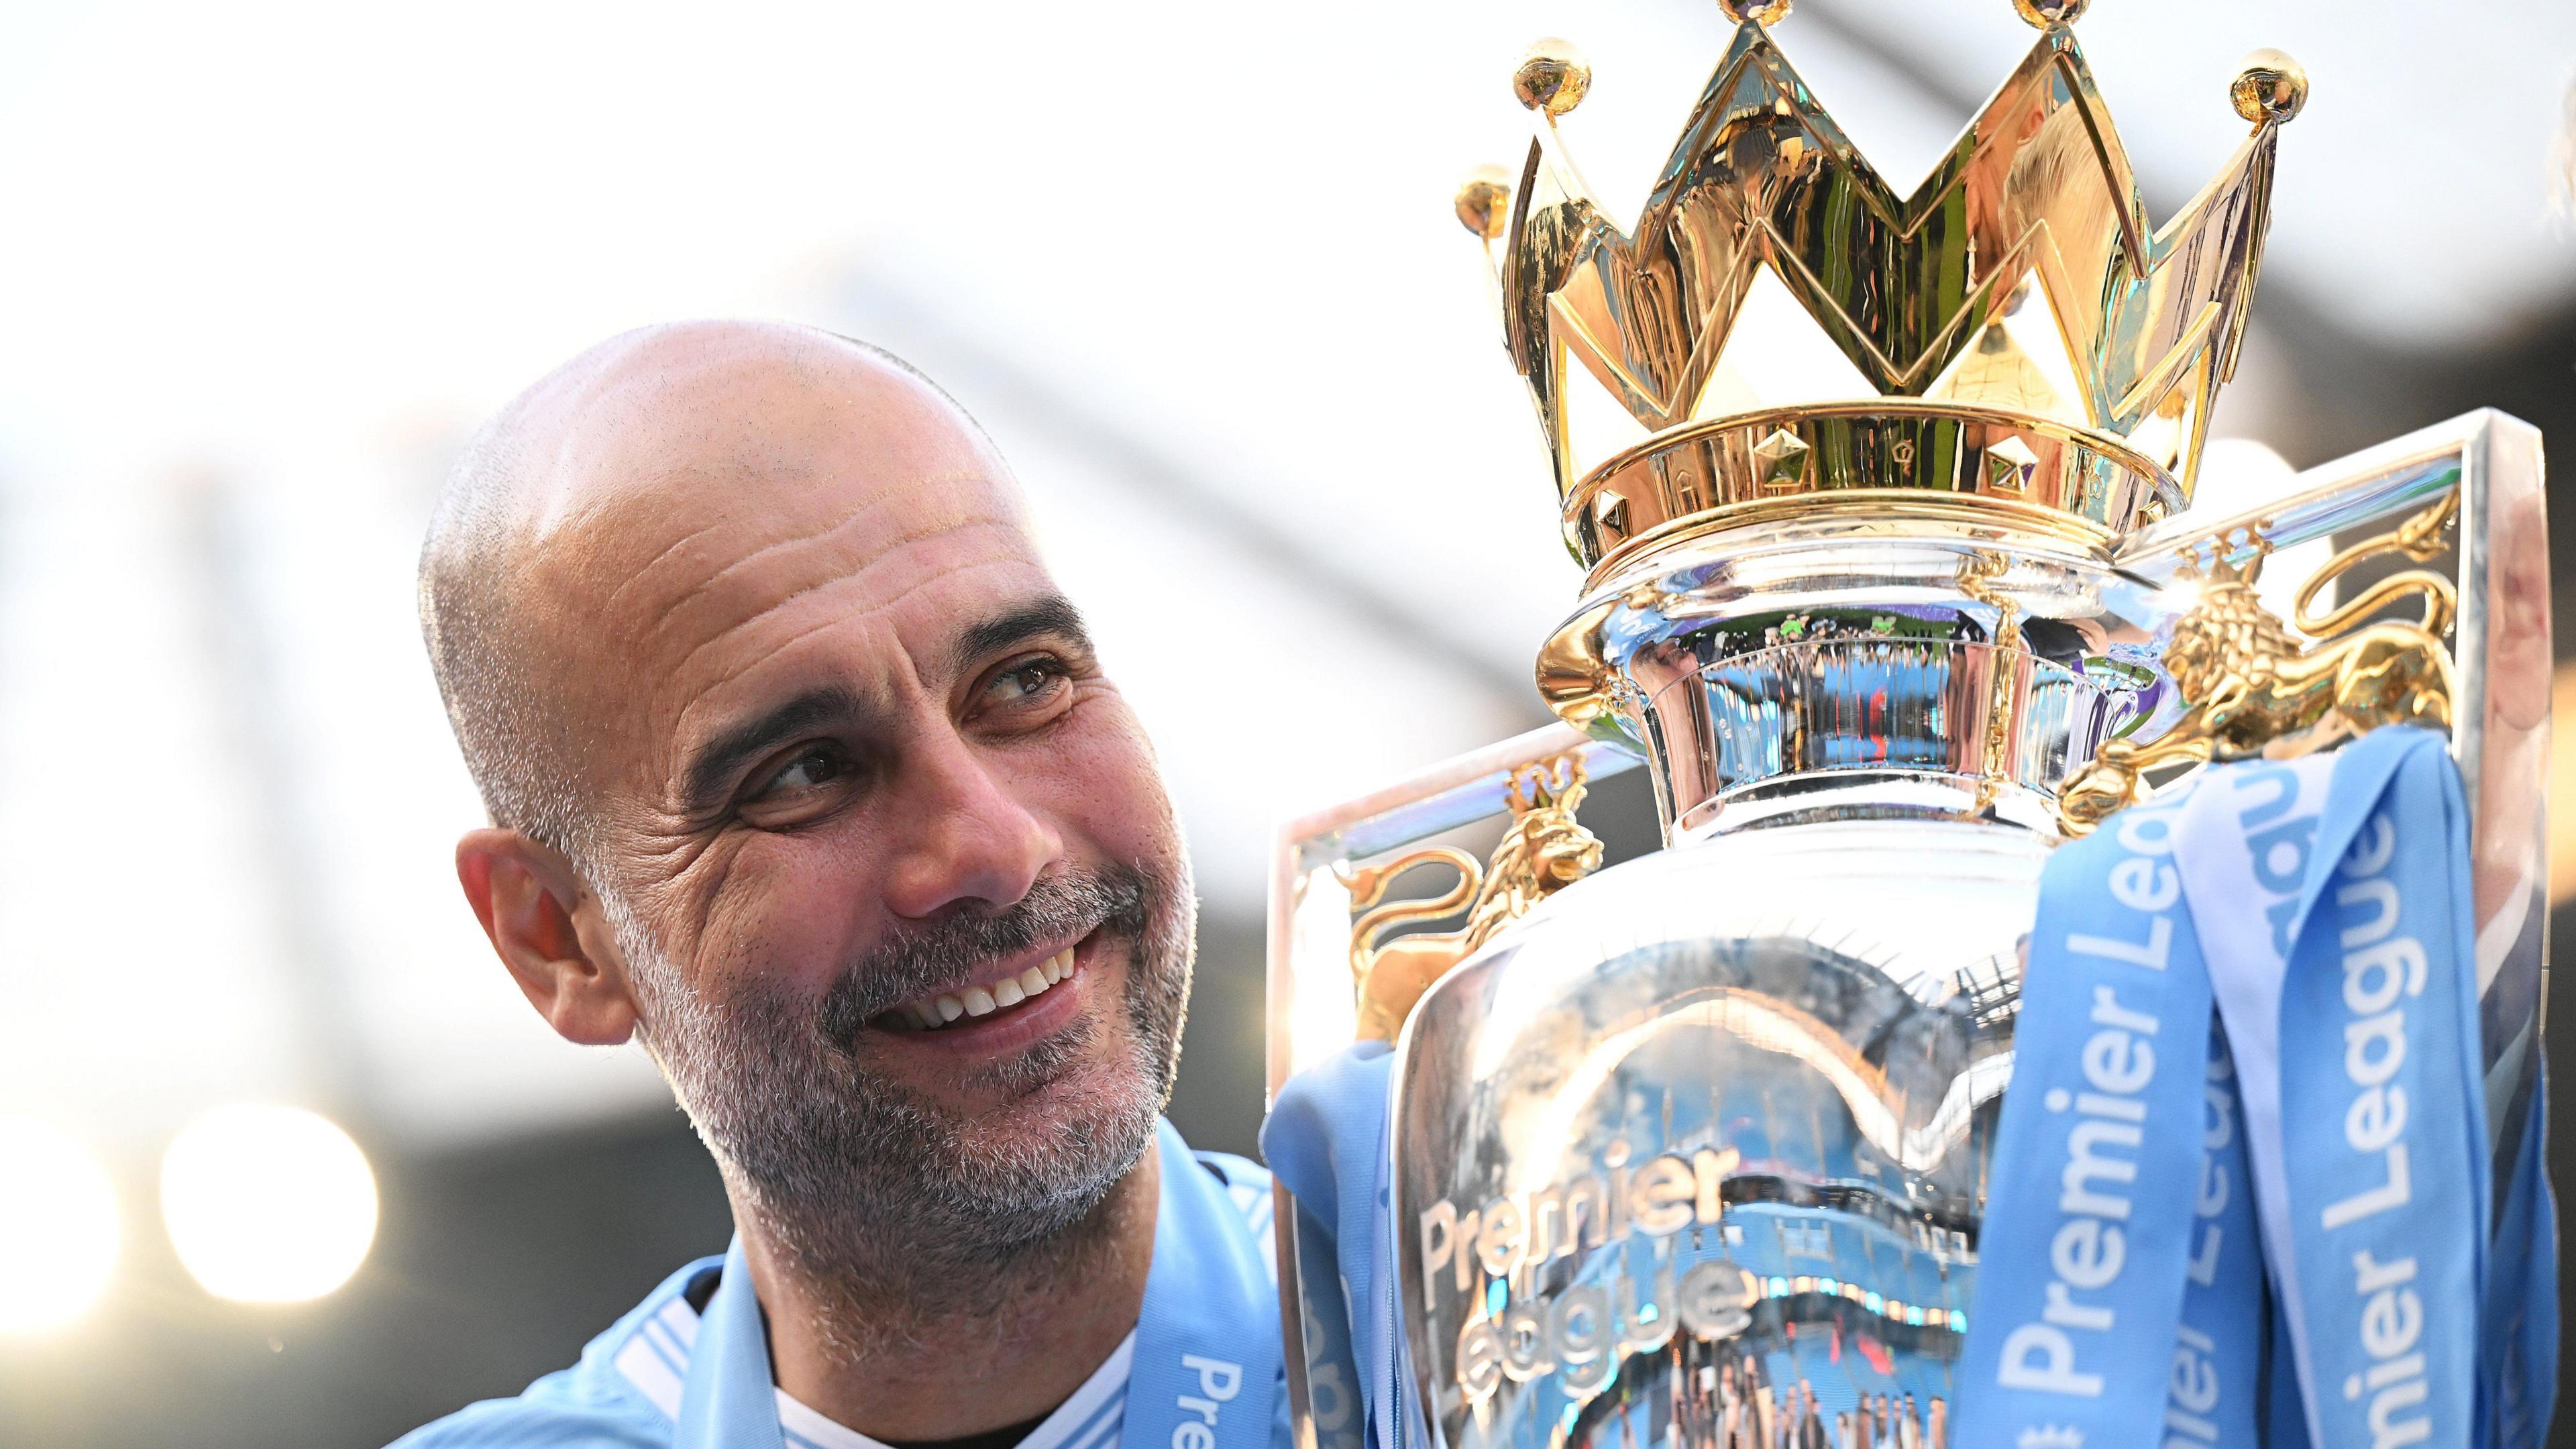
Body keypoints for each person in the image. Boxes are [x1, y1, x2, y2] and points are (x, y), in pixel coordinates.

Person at [391, 321, 1282, 1449]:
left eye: (1025, 682)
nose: (993, 847)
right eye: (805, 772)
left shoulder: (1496, 1320)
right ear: (555, 942)